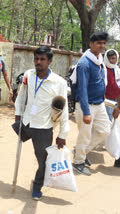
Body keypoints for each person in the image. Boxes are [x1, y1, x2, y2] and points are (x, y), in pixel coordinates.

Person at [14, 46, 69, 200]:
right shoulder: (28, 75)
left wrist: (62, 134)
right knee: (20, 151)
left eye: (42, 59)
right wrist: (17, 115)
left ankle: (37, 184)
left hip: (44, 127)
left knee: (43, 160)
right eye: (36, 59)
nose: (38, 62)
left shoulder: (59, 82)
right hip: (26, 122)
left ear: (50, 61)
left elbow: (63, 110)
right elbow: (21, 96)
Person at [72, 32, 111, 175]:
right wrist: (86, 111)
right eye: (99, 43)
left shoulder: (100, 60)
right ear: (91, 44)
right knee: (85, 135)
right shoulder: (84, 63)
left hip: (99, 104)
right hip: (86, 105)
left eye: (104, 43)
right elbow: (82, 89)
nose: (102, 46)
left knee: (105, 130)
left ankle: (79, 151)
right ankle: (78, 162)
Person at [104, 49, 120, 167]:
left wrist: (118, 107)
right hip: (104, 102)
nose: (111, 60)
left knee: (112, 127)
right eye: (109, 58)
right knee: (108, 127)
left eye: (113, 58)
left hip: (114, 102)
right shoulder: (103, 70)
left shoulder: (117, 70)